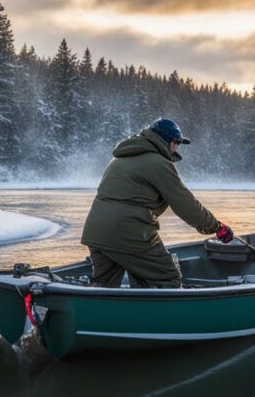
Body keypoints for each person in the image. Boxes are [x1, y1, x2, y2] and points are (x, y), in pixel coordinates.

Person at [80, 118, 233, 288]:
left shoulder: (120, 158)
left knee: (104, 286)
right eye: (177, 143)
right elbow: (185, 203)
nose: (177, 148)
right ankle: (161, 314)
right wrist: (217, 227)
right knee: (168, 278)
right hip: (129, 232)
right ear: (168, 142)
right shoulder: (158, 163)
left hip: (96, 232)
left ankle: (98, 312)